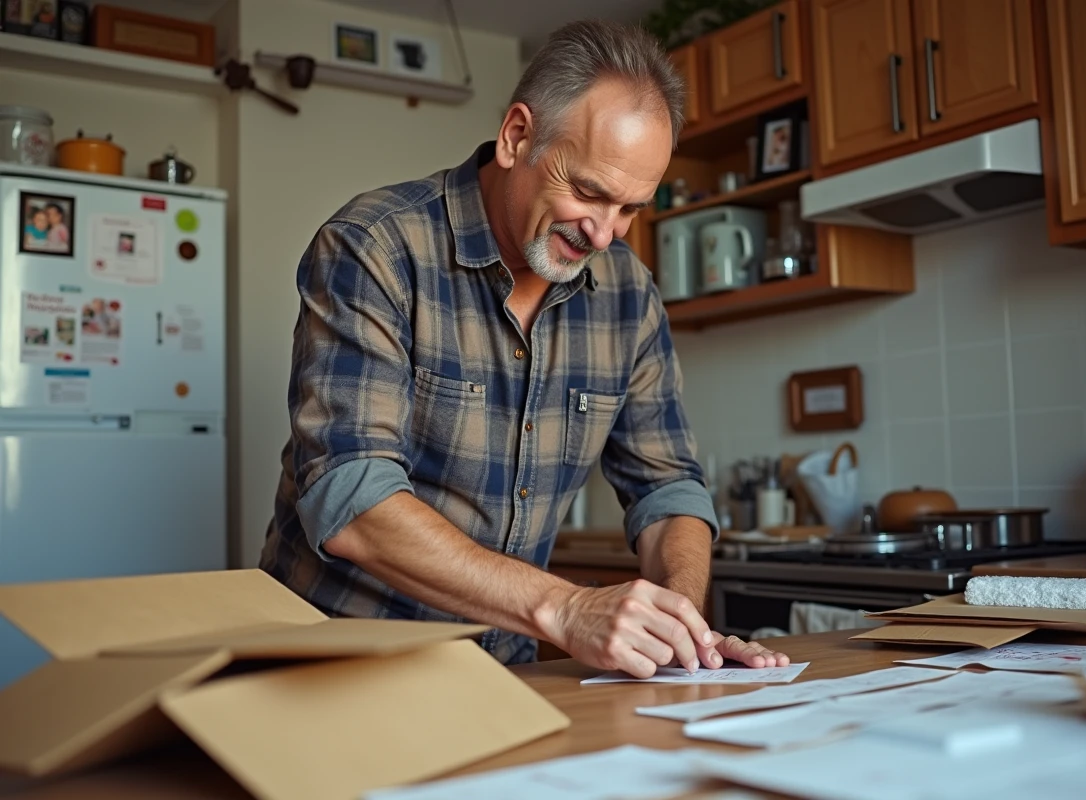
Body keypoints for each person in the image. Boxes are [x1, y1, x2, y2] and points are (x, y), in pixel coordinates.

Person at [261, 19, 788, 677]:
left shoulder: (628, 292)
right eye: (589, 192)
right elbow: (351, 500)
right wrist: (566, 609)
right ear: (516, 136)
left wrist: (680, 629)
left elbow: (668, 489)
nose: (604, 234)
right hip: (334, 670)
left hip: (501, 674)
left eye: (630, 208)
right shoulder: (376, 248)